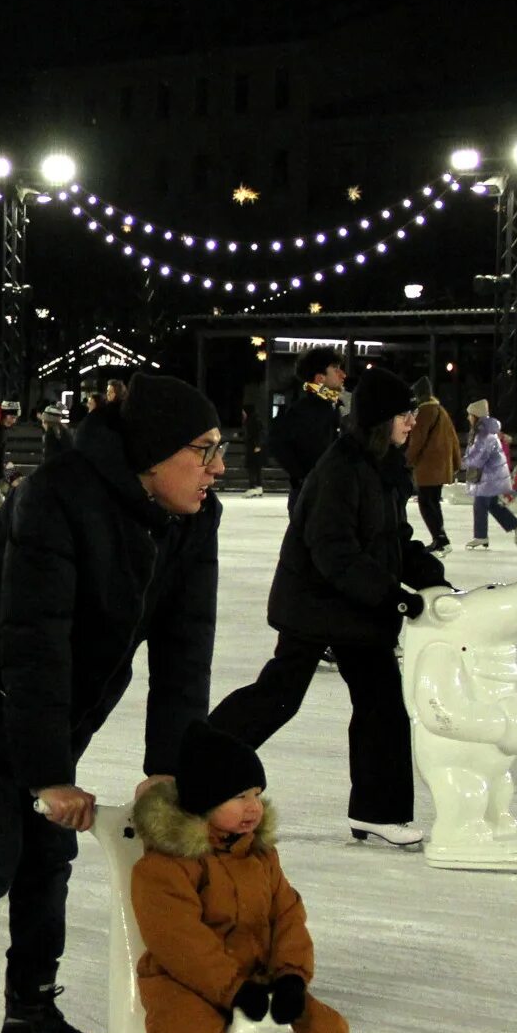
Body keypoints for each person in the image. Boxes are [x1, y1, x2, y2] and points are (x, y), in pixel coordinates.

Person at [0, 371, 223, 1033]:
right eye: (203, 451)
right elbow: (33, 641)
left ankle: (30, 1019)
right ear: (151, 454)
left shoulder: (192, 518)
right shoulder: (58, 497)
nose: (218, 470)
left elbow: (185, 651)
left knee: (50, 853)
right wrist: (48, 773)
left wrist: (170, 771)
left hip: (58, 692)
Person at [121, 721, 372, 1033]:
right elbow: (180, 942)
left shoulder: (261, 855)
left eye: (256, 793)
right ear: (203, 804)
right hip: (185, 982)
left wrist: (292, 977)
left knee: (325, 1025)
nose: (253, 807)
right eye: (238, 796)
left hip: (258, 977)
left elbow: (287, 915)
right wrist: (231, 989)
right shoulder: (164, 865)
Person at [210, 367, 451, 846]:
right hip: (316, 604)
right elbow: (334, 551)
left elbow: (392, 539)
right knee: (280, 695)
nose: (411, 423)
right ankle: (199, 766)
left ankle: (378, 812)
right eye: (405, 415)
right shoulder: (341, 469)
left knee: (379, 704)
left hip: (349, 608)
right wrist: (395, 599)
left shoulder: (382, 466)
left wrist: (432, 579)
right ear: (384, 418)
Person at [267, 346, 346, 515]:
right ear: (320, 378)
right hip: (313, 498)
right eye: (336, 369)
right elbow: (277, 441)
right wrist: (304, 477)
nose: (342, 375)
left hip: (329, 493)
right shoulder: (304, 409)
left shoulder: (333, 406)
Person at [459, 400, 517, 549]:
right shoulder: (484, 430)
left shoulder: (483, 432)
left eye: (470, 415)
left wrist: (462, 463)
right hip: (492, 473)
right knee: (493, 505)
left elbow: (480, 456)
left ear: (476, 416)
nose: (468, 418)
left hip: (489, 476)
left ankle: (481, 537)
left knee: (480, 505)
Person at [403, 376, 458, 553]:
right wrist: (456, 462)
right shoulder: (441, 410)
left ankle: (439, 538)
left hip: (428, 466)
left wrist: (407, 460)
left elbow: (417, 440)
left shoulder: (425, 412)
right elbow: (453, 439)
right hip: (440, 465)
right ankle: (440, 537)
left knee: (426, 502)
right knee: (433, 501)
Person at [239, 395, 267, 497]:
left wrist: (258, 445)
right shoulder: (250, 421)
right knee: (255, 468)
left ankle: (253, 487)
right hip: (253, 448)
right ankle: (258, 487)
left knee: (253, 468)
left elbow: (260, 433)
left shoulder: (254, 421)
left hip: (255, 448)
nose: (243, 414)